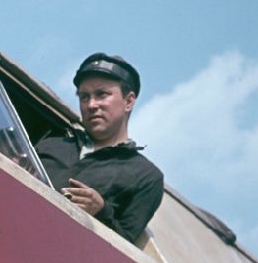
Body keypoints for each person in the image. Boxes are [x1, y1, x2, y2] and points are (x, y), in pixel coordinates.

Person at [36, 53, 163, 244]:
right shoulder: (51, 145)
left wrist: (101, 211)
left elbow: (127, 253)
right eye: (84, 97)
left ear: (128, 101)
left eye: (101, 94)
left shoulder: (146, 176)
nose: (91, 105)